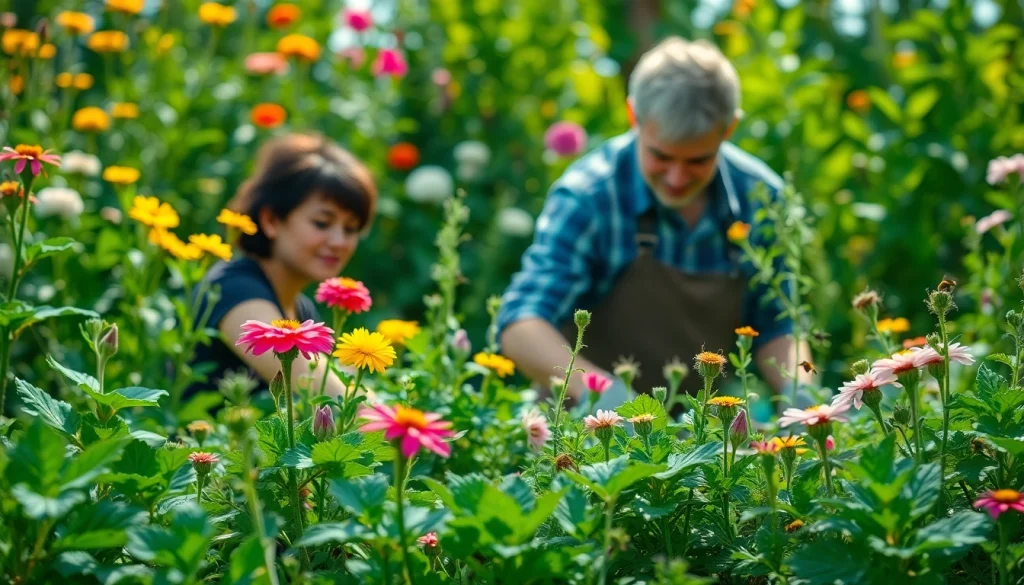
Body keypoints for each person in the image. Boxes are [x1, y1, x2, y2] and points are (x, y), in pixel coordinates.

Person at [497, 37, 812, 412]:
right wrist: (611, 401)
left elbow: (777, 327)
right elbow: (521, 325)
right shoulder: (591, 196)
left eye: (697, 160)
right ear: (634, 117)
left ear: (729, 129)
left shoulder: (760, 199)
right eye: (661, 156)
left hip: (699, 436)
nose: (677, 177)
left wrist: (804, 404)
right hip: (585, 432)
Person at [186, 133, 377, 402]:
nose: (339, 242)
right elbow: (326, 394)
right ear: (271, 220)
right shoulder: (233, 289)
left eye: (351, 228)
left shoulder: (301, 309)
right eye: (322, 223)